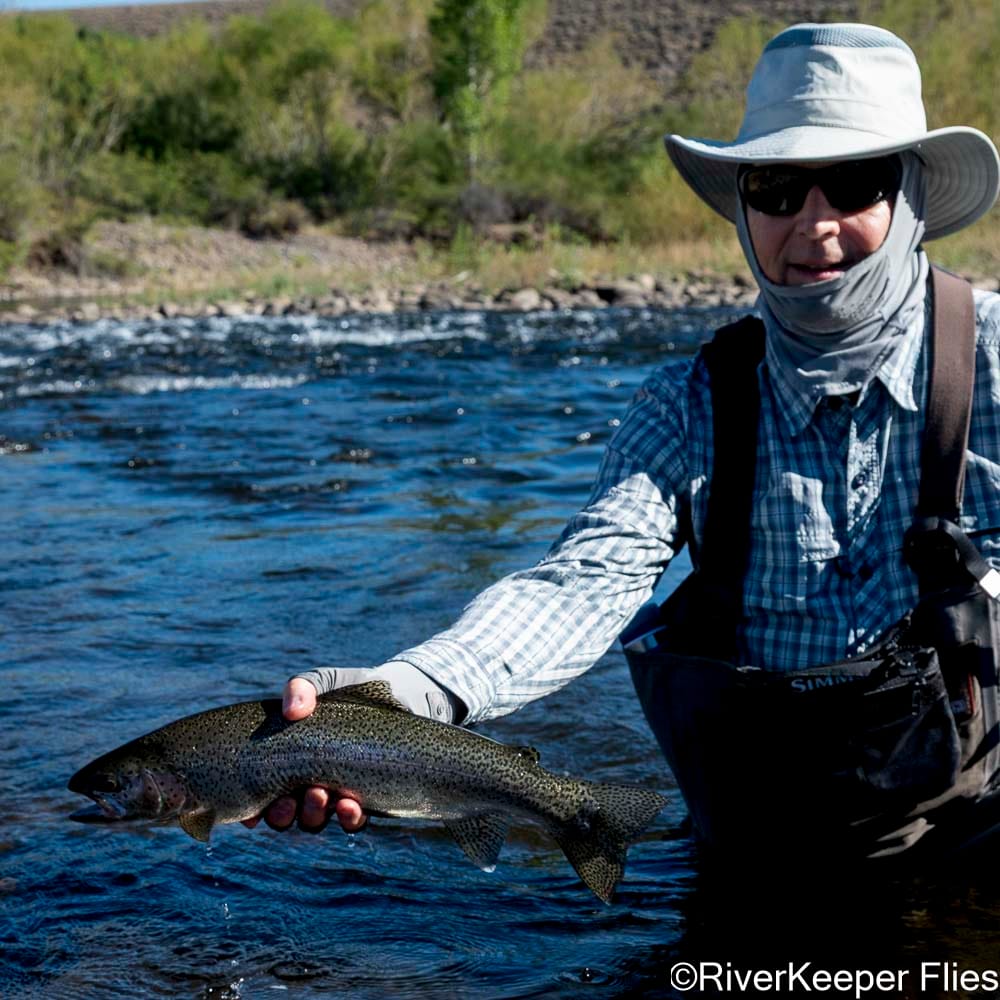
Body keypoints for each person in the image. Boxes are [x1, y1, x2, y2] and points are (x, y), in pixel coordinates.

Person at [246, 22, 1000, 855]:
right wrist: (411, 692)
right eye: (780, 190)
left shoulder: (996, 363)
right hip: (760, 856)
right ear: (745, 212)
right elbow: (579, 585)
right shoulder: (687, 405)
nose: (814, 226)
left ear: (911, 202)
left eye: (854, 183)